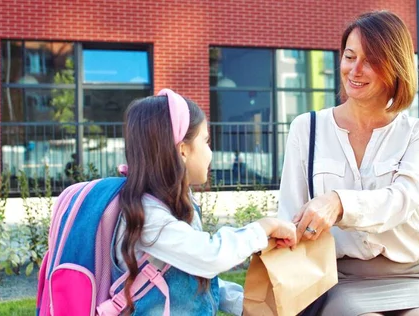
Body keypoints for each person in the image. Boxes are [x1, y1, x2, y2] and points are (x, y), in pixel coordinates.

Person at [277, 11, 419, 316]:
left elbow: (402, 199)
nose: (355, 70)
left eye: (370, 60)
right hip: (336, 278)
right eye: (349, 56)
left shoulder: (418, 133)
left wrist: (338, 203)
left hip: (410, 274)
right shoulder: (307, 128)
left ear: (395, 66)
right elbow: (290, 212)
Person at [114, 89, 297, 315]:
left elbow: (193, 277)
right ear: (182, 150)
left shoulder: (167, 203)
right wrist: (265, 227)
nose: (210, 152)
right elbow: (211, 257)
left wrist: (248, 305)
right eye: (206, 141)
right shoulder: (149, 215)